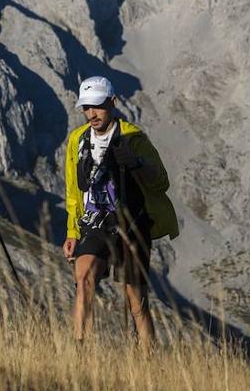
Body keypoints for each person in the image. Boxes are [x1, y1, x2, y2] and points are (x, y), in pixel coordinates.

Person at [62, 76, 178, 349]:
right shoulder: (77, 140)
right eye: (86, 107)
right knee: (84, 279)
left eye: (98, 106)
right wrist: (71, 232)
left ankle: (147, 360)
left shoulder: (133, 137)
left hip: (131, 224)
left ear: (112, 103)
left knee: (135, 300)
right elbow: (72, 191)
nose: (91, 113)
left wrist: (136, 163)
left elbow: (161, 181)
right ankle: (79, 355)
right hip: (94, 223)